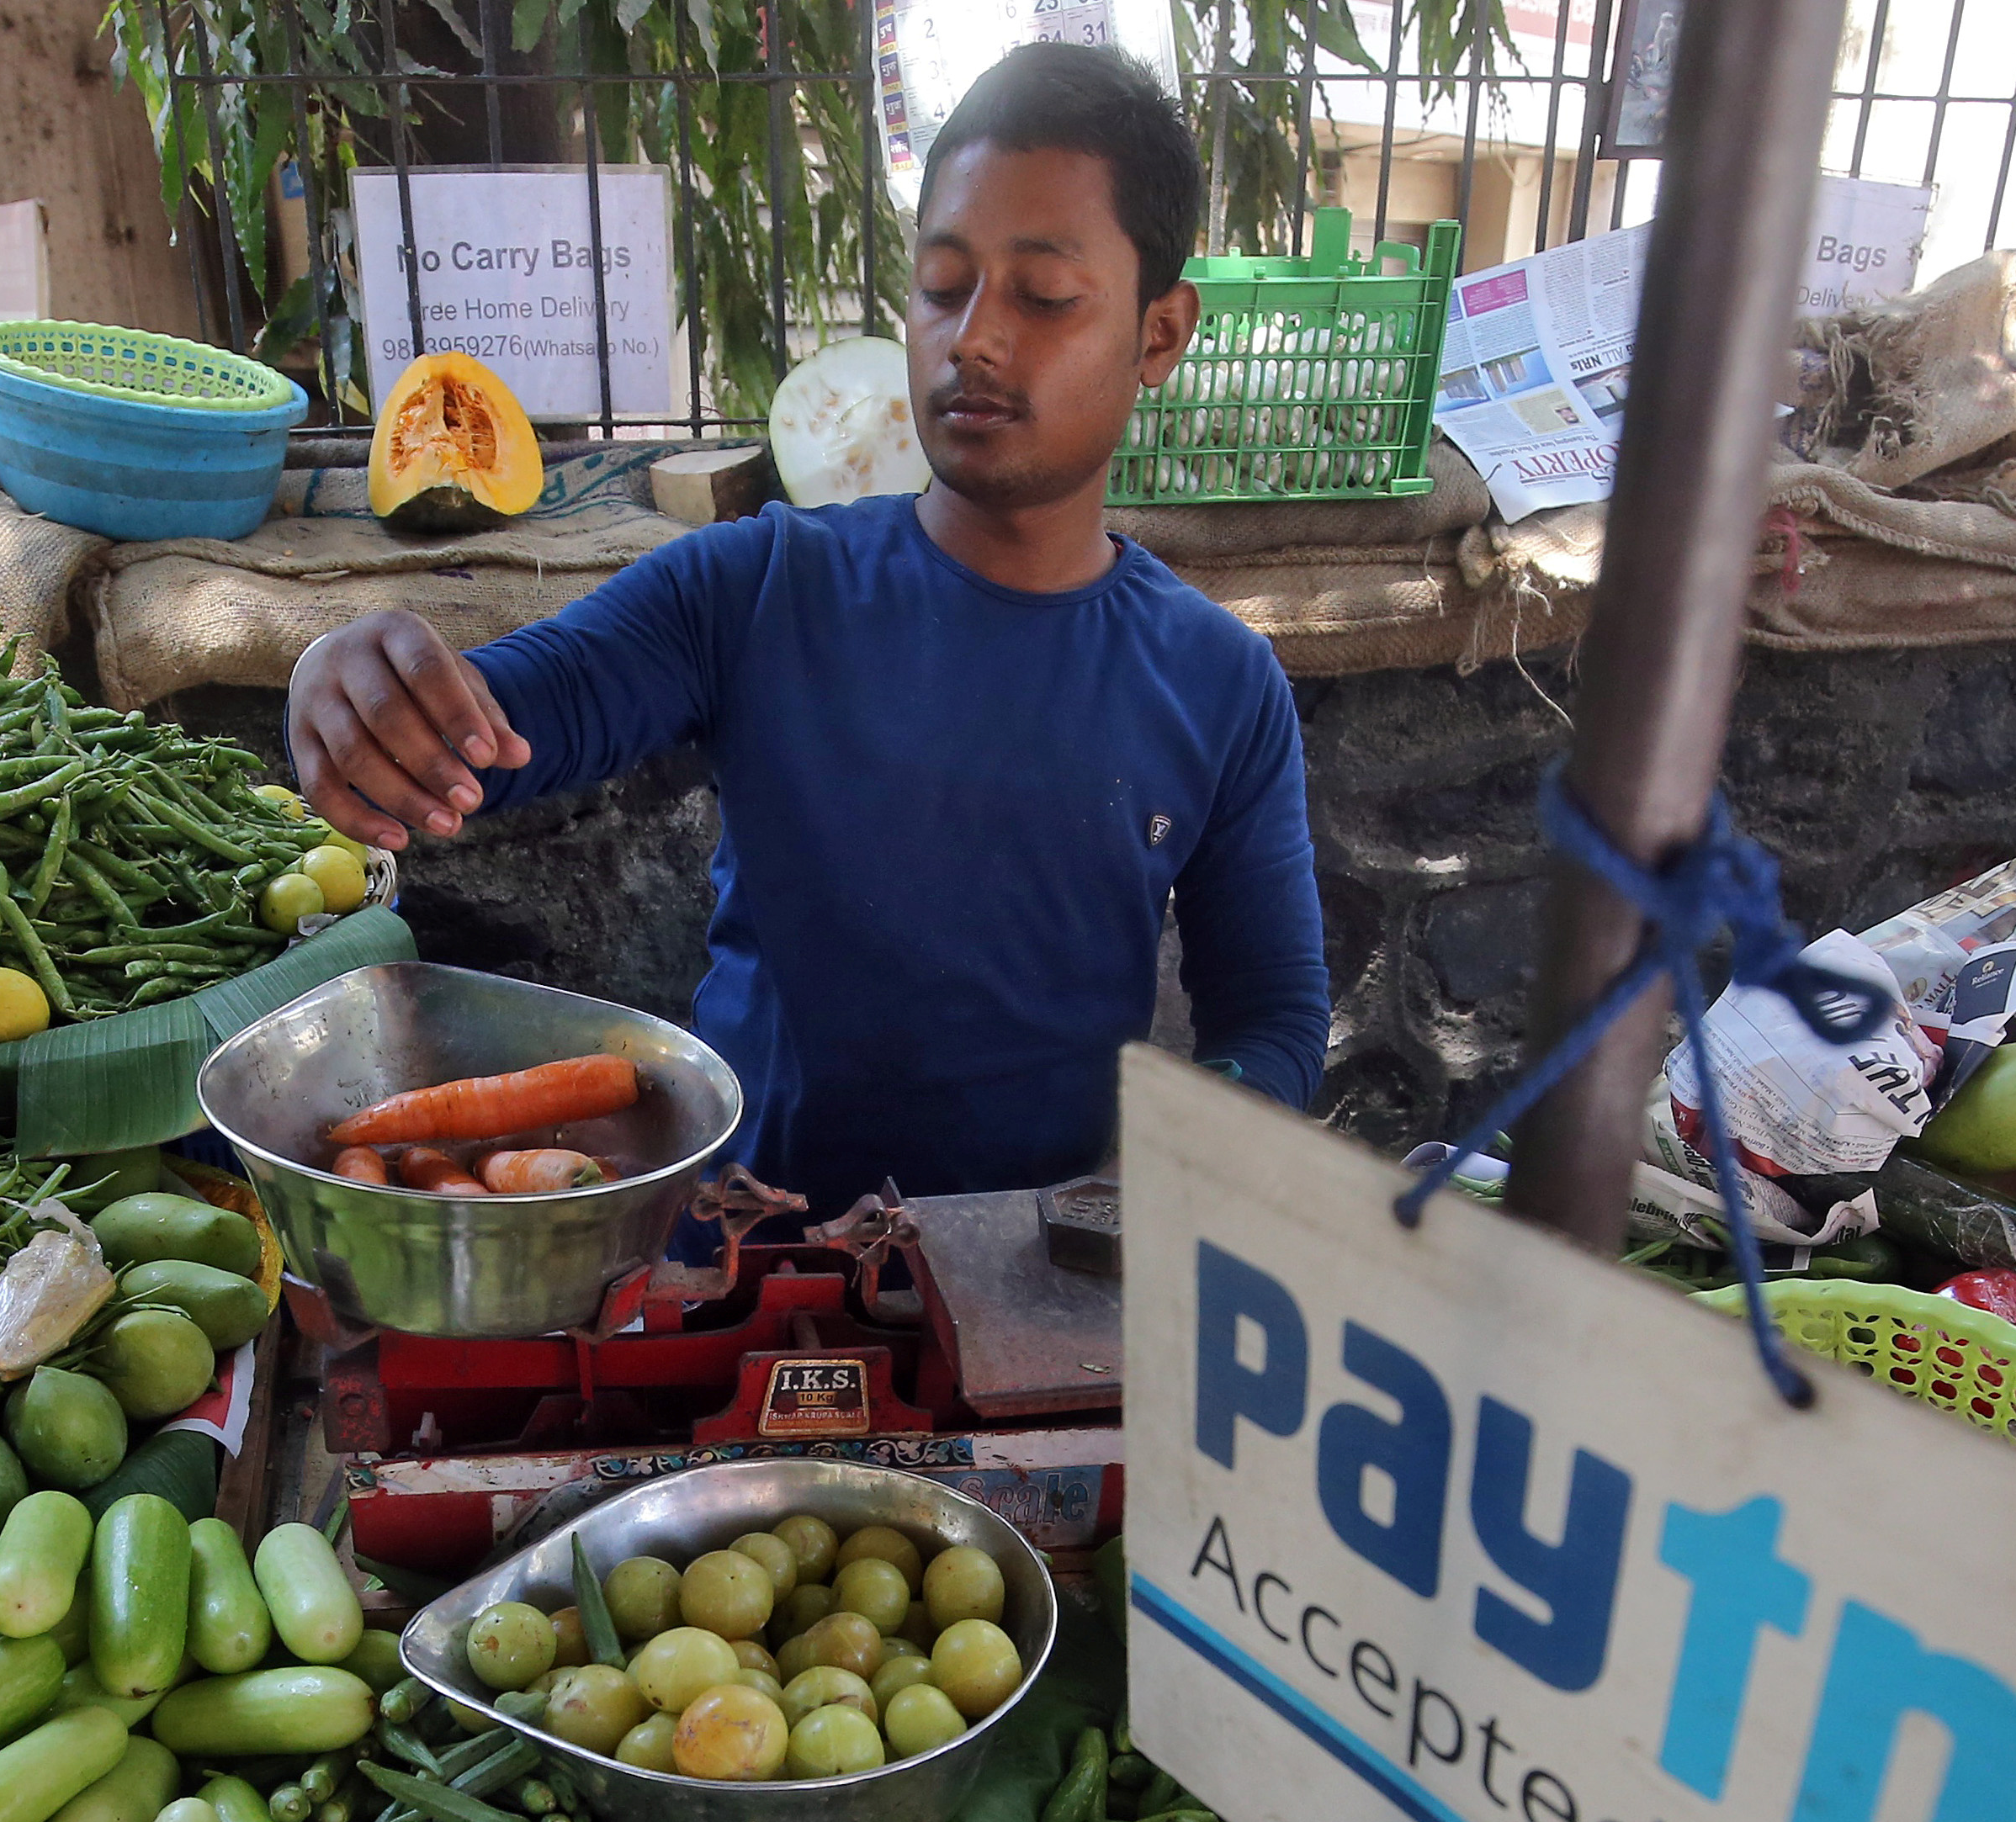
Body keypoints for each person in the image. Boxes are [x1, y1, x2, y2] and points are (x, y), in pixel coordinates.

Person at [284, 41, 1329, 1212]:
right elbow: (509, 712)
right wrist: (356, 679)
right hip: (746, 1274)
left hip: (1034, 1302)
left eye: (1043, 297)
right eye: (942, 286)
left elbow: (1274, 1018)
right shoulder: (756, 589)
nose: (975, 337)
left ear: (1159, 333)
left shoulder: (1221, 680)